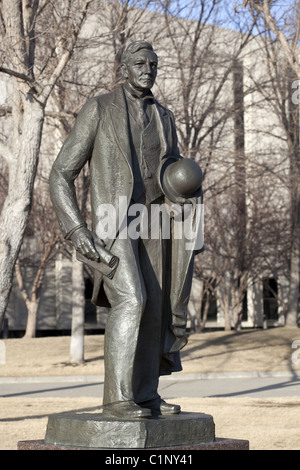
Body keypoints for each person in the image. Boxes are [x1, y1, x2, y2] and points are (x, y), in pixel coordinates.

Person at [49, 40, 203, 419]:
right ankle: (118, 399)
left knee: (155, 306)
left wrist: (186, 188)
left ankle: (146, 395)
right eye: (140, 62)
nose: (148, 68)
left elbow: (170, 173)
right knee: (132, 298)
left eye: (153, 63)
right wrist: (75, 229)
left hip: (156, 221)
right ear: (123, 68)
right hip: (113, 222)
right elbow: (60, 174)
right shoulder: (99, 108)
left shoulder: (164, 117)